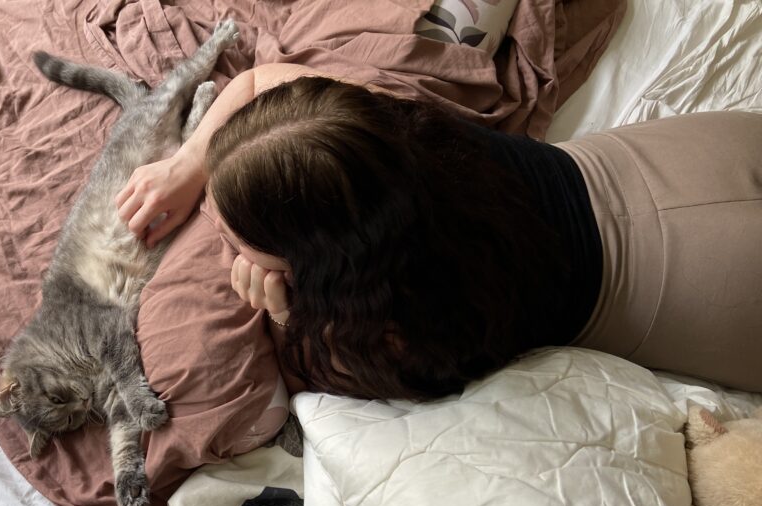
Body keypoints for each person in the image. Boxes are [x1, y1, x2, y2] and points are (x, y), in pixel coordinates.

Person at [115, 63, 762, 399]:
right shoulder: (387, 137)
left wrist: (285, 315)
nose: (209, 225)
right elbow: (261, 85)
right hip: (705, 156)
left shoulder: (400, 324)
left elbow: (356, 375)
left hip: (711, 290)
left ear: (334, 260)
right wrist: (190, 162)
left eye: (231, 238)